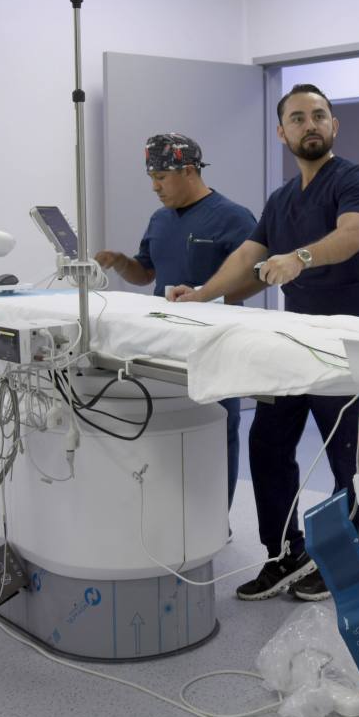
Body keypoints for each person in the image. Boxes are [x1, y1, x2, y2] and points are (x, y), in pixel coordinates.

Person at [166, 85, 359, 602]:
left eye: (320, 115)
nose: (311, 124)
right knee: (267, 446)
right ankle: (285, 553)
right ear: (282, 132)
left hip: (345, 343)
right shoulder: (281, 199)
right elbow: (250, 257)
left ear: (334, 126)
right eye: (298, 118)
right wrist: (202, 294)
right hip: (292, 342)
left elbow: (353, 234)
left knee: (345, 462)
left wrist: (300, 258)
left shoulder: (352, 179)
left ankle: (336, 565)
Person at [94, 132, 256, 508]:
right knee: (165, 431)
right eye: (151, 177)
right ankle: (169, 515)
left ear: (188, 171)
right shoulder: (160, 219)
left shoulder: (234, 218)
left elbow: (254, 279)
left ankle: (216, 518)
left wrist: (204, 294)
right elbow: (145, 273)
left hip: (213, 345)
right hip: (163, 347)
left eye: (161, 177)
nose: (154, 186)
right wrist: (120, 261)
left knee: (217, 431)